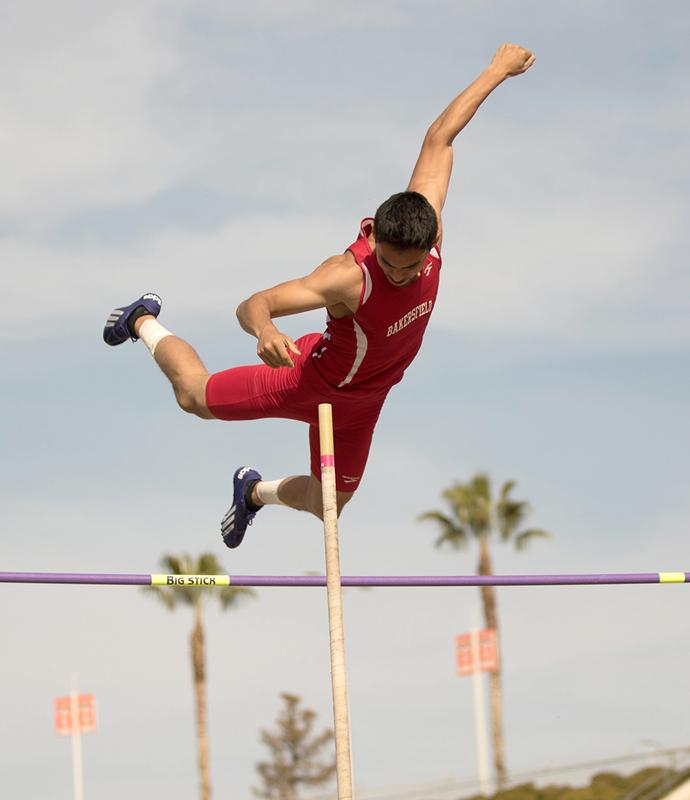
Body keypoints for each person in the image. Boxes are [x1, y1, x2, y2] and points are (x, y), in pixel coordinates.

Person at [103, 43, 535, 548]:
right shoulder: (347, 276)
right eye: (389, 263)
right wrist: (264, 329)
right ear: (376, 241)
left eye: (409, 267)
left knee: (325, 503)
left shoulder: (428, 226)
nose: (398, 274)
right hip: (306, 379)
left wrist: (496, 71)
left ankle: (253, 492)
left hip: (364, 404)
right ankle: (141, 320)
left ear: (428, 243)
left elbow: (440, 137)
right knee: (192, 396)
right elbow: (254, 303)